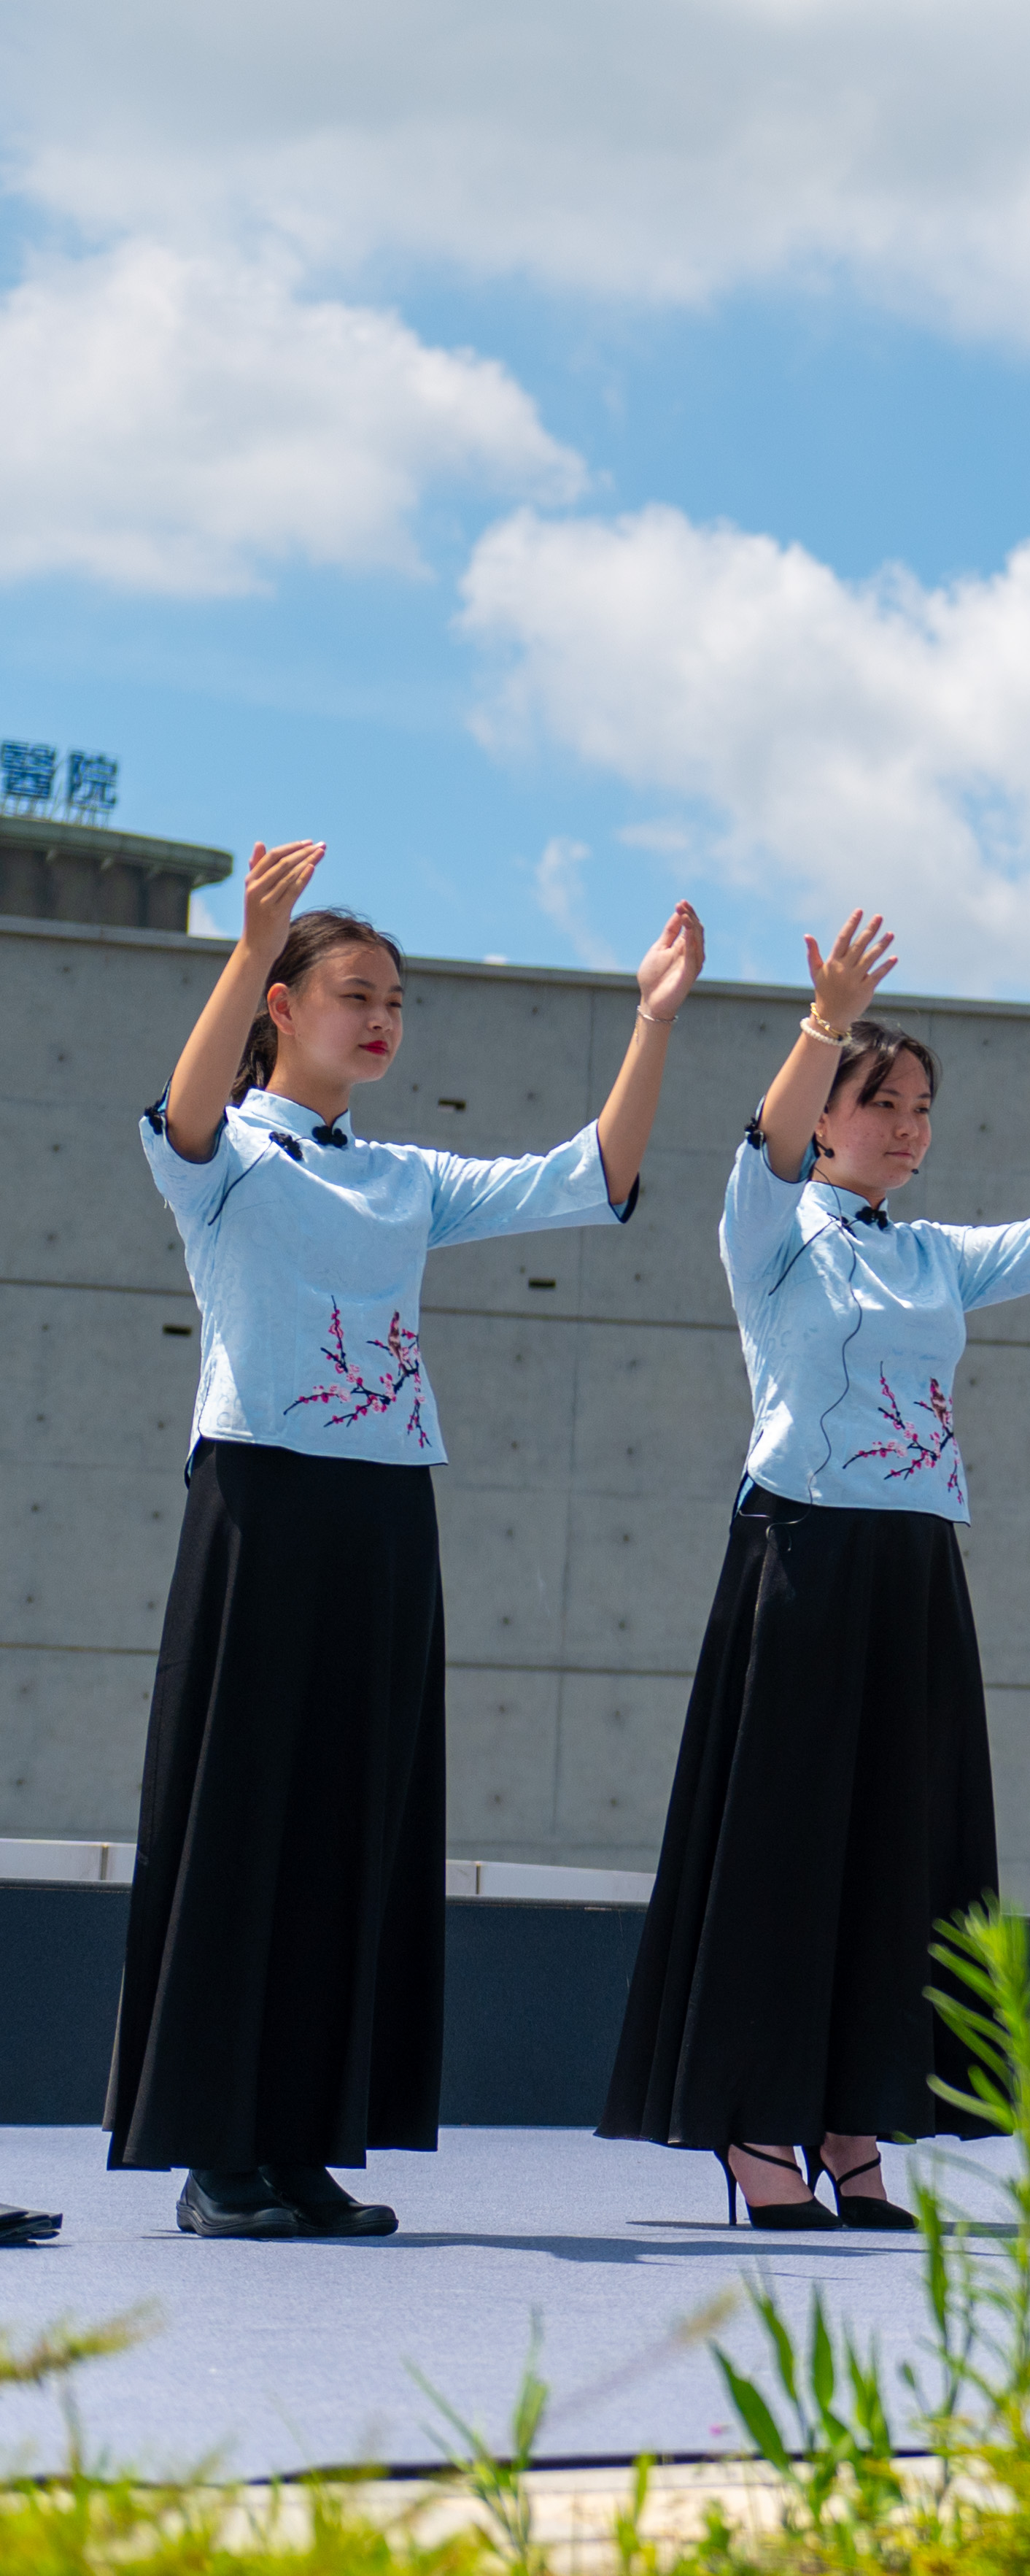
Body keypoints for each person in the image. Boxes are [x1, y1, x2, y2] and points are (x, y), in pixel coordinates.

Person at [118, 842, 697, 2238]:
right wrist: (248, 937)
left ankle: (305, 2139)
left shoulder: (406, 1176)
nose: (381, 1015)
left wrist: (654, 1019)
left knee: (349, 1830)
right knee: (245, 1824)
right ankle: (218, 2151)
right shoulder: (227, 1156)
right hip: (261, 1503)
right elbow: (185, 1105)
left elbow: (594, 1173)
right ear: (280, 1002)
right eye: (353, 992)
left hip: (386, 1514)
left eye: (396, 998)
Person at [601, 913, 1030, 2229]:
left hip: (917, 1572)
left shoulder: (930, 1255)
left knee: (895, 1858)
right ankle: (753, 2121)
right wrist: (824, 1021)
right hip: (801, 1560)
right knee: (784, 1857)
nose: (911, 1126)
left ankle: (849, 2118)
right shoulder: (774, 1229)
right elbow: (761, 1144)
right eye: (885, 1103)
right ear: (829, 1117)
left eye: (924, 1106)